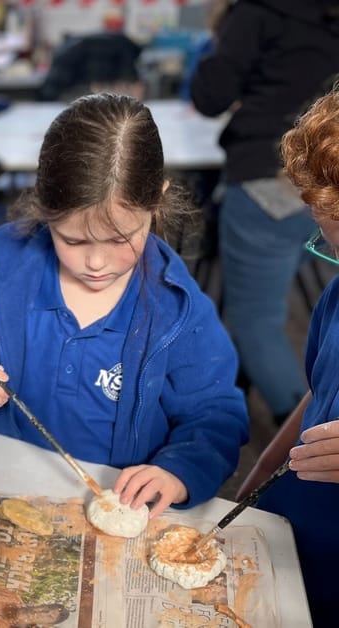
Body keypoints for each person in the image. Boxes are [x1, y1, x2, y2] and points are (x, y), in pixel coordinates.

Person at [0, 93, 249, 519]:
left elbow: (216, 415)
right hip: (6, 482)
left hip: (115, 501)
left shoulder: (178, 312)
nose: (96, 262)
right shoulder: (8, 279)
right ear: (45, 208)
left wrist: (177, 472)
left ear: (157, 201)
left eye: (121, 239)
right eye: (74, 240)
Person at [189, 0, 339, 425]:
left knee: (256, 324)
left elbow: (209, 95)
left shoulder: (257, 11)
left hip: (269, 177)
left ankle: (307, 441)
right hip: (324, 173)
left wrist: (221, 33)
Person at [237, 87, 339, 628]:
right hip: (295, 534)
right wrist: (263, 469)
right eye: (332, 245)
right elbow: (321, 392)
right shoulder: (336, 297)